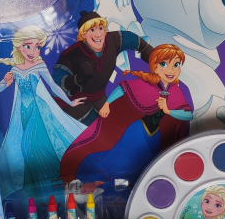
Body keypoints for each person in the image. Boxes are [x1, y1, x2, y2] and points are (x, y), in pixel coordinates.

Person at [59, 44, 192, 185]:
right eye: (164, 64)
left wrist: (168, 110)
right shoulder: (147, 84)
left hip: (155, 136)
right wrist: (107, 103)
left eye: (176, 65)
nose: (171, 70)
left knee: (146, 165)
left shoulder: (175, 91)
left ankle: (131, 184)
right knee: (124, 161)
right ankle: (107, 182)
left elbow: (188, 115)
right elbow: (123, 88)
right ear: (155, 66)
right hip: (138, 131)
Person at [0, 26, 88, 193]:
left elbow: (53, 86)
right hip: (22, 112)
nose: (33, 51)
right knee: (24, 149)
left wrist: (70, 102)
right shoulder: (15, 69)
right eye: (28, 46)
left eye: (37, 47)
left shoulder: (39, 65)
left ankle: (52, 178)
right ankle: (38, 184)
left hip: (39, 110)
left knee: (31, 145)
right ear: (19, 47)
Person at [52, 11, 154, 125]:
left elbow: (130, 37)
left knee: (113, 125)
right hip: (79, 104)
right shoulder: (71, 54)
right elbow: (55, 84)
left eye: (100, 28)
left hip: (101, 99)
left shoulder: (112, 41)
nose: (98, 35)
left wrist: (147, 50)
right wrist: (76, 80)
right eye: (92, 30)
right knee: (67, 128)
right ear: (83, 35)